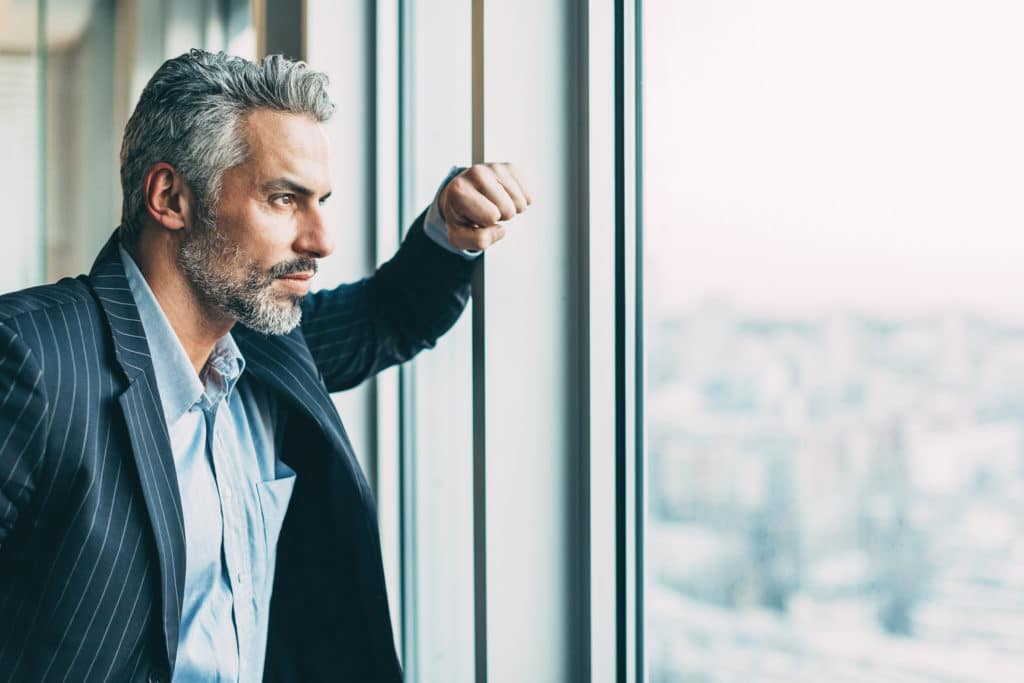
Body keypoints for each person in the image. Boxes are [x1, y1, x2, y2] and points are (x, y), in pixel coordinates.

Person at [0, 49, 530, 682]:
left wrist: (448, 227)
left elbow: (388, 318)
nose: (321, 239)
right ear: (171, 197)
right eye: (285, 199)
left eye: (321, 201)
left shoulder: (267, 346)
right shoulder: (28, 357)